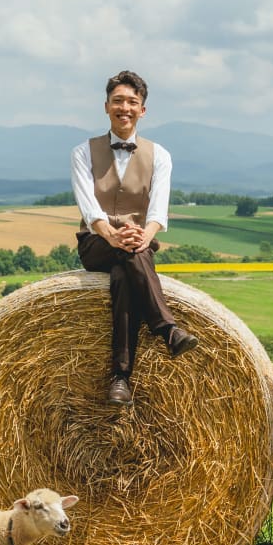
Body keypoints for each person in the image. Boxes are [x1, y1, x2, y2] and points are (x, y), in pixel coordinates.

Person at [71, 70, 198, 406]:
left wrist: (144, 235)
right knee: (127, 258)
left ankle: (120, 380)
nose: (124, 107)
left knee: (124, 277)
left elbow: (158, 212)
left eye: (132, 102)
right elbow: (89, 207)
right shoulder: (83, 152)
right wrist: (112, 235)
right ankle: (167, 328)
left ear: (142, 110)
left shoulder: (160, 156)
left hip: (138, 242)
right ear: (106, 106)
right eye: (118, 101)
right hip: (96, 242)